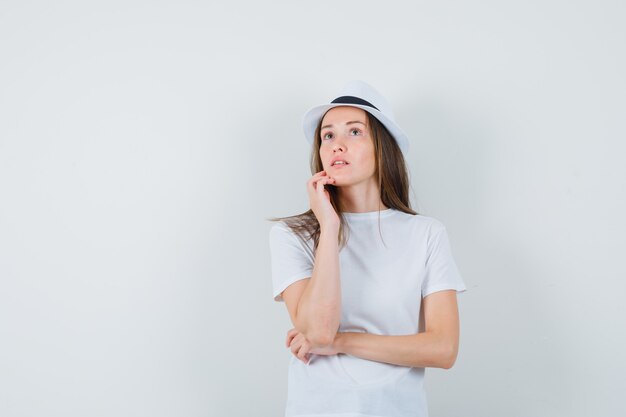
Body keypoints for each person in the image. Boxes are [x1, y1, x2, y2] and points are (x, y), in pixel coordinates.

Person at [267, 80, 467, 417]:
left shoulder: (426, 234)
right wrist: (329, 227)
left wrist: (341, 343)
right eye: (327, 135)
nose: (336, 145)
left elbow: (443, 348)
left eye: (354, 132)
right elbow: (317, 331)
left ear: (382, 148)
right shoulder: (292, 234)